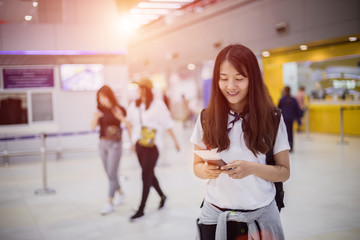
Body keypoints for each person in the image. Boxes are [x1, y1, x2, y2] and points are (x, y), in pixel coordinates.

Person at [190, 44, 290, 240]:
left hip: (259, 217)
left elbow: (284, 172)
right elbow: (196, 166)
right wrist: (205, 170)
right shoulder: (206, 118)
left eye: (239, 78)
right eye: (224, 78)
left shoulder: (272, 118)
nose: (231, 86)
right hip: (214, 215)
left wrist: (251, 168)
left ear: (252, 79)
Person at [127, 78, 180, 221]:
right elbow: (131, 123)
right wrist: (132, 141)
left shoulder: (157, 105)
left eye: (142, 88)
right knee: (149, 173)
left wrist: (176, 142)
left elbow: (168, 123)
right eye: (138, 88)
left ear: (148, 89)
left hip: (153, 145)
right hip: (139, 145)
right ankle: (163, 196)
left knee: (145, 175)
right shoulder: (135, 105)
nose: (139, 91)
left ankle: (141, 208)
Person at [91, 85, 132, 215]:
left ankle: (109, 202)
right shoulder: (99, 111)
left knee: (112, 172)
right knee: (109, 174)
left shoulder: (119, 109)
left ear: (110, 96)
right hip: (102, 144)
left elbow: (128, 124)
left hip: (115, 144)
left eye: (104, 97)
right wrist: (95, 117)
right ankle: (121, 192)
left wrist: (120, 117)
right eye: (99, 98)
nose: (102, 100)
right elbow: (92, 127)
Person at [278, 86, 303, 152]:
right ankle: (291, 146)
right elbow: (297, 109)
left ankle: (285, 147)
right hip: (291, 118)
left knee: (284, 133)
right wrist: (299, 116)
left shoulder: (282, 99)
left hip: (284, 119)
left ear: (285, 91)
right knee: (290, 132)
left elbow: (278, 109)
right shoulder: (293, 99)